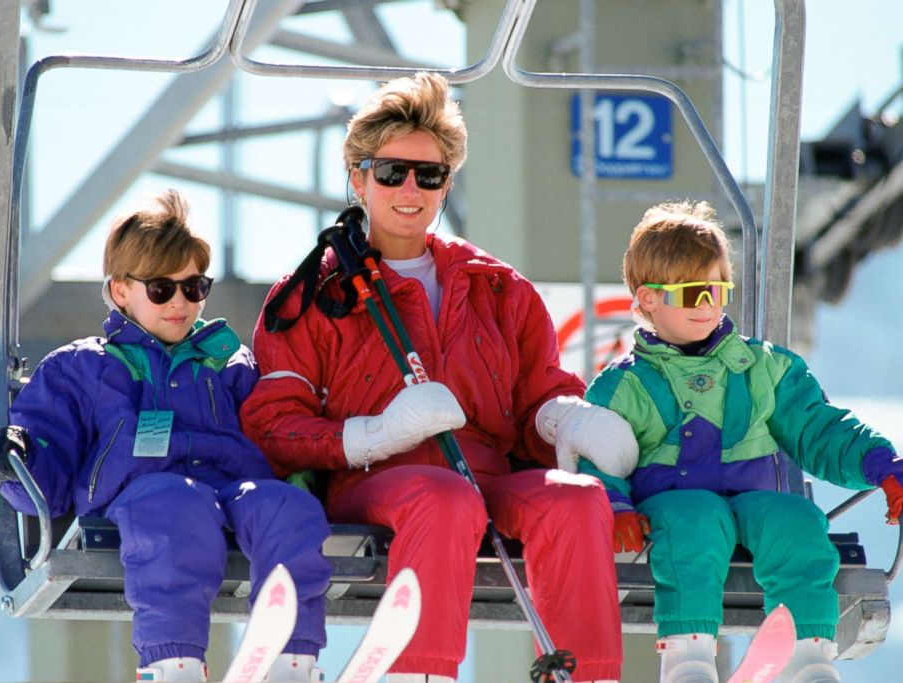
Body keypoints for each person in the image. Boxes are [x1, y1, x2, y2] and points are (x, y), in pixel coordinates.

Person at [240, 72, 634, 683]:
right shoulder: (314, 294)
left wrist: (567, 418)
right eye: (390, 171)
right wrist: (375, 434)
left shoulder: (498, 289)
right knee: (441, 497)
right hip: (374, 477)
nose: (409, 189)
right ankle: (417, 673)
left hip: (487, 476)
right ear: (358, 178)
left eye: (429, 175)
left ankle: (589, 675)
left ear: (447, 183)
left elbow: (537, 395)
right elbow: (274, 423)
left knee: (578, 501)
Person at [0, 190, 332, 683]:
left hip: (230, 495)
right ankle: (173, 662)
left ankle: (292, 658)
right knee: (174, 505)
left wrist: (316, 468)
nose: (181, 303)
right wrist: (18, 457)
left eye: (195, 287)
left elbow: (274, 434)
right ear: (121, 291)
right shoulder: (84, 368)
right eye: (162, 289)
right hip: (141, 501)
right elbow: (49, 469)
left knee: (287, 509)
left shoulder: (229, 364)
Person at [579, 200, 903, 683]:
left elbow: (818, 428)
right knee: (695, 521)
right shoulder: (626, 386)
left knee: (797, 521)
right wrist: (615, 506)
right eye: (691, 294)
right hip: (673, 507)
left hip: (757, 499)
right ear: (648, 298)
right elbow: (596, 453)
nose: (707, 305)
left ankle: (809, 655)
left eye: (717, 290)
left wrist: (882, 463)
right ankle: (688, 659)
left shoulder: (763, 369)